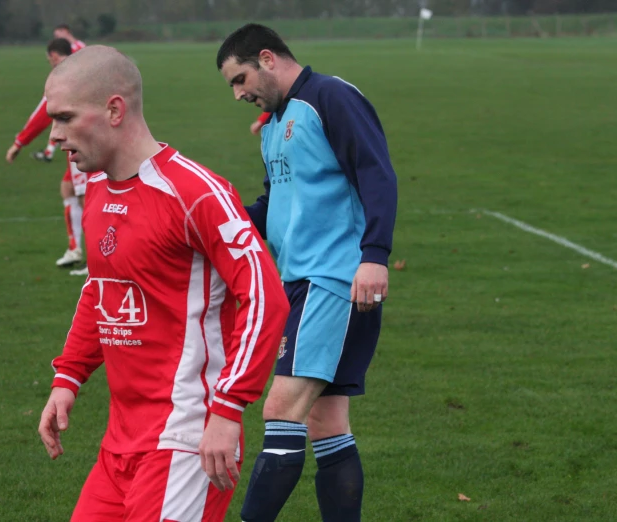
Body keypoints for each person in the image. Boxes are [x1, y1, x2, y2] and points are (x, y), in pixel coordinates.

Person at [37, 45, 290, 521]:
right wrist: (68, 376)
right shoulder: (97, 192)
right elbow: (101, 289)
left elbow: (264, 297)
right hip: (120, 443)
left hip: (188, 441)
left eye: (66, 118)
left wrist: (227, 408)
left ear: (114, 110)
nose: (55, 136)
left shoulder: (194, 193)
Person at [216, 23, 398, 522]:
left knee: (281, 411)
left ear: (268, 58)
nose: (239, 94)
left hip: (333, 280)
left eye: (240, 79)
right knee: (326, 422)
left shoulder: (330, 97)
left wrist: (374, 255)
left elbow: (376, 172)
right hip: (299, 282)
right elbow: (276, 204)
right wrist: (215, 224)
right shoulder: (275, 122)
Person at [5, 38, 97, 274]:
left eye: (49, 59)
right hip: (82, 141)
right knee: (68, 189)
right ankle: (75, 249)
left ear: (54, 56)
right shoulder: (81, 71)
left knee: (88, 200)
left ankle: (97, 262)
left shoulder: (65, 78)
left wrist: (19, 142)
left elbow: (44, 112)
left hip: (81, 143)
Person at [30, 24, 88, 163]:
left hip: (77, 94)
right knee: (60, 120)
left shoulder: (78, 48)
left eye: (58, 35)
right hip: (74, 93)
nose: (56, 38)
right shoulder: (77, 46)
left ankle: (50, 152)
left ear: (66, 32)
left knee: (61, 119)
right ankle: (49, 152)